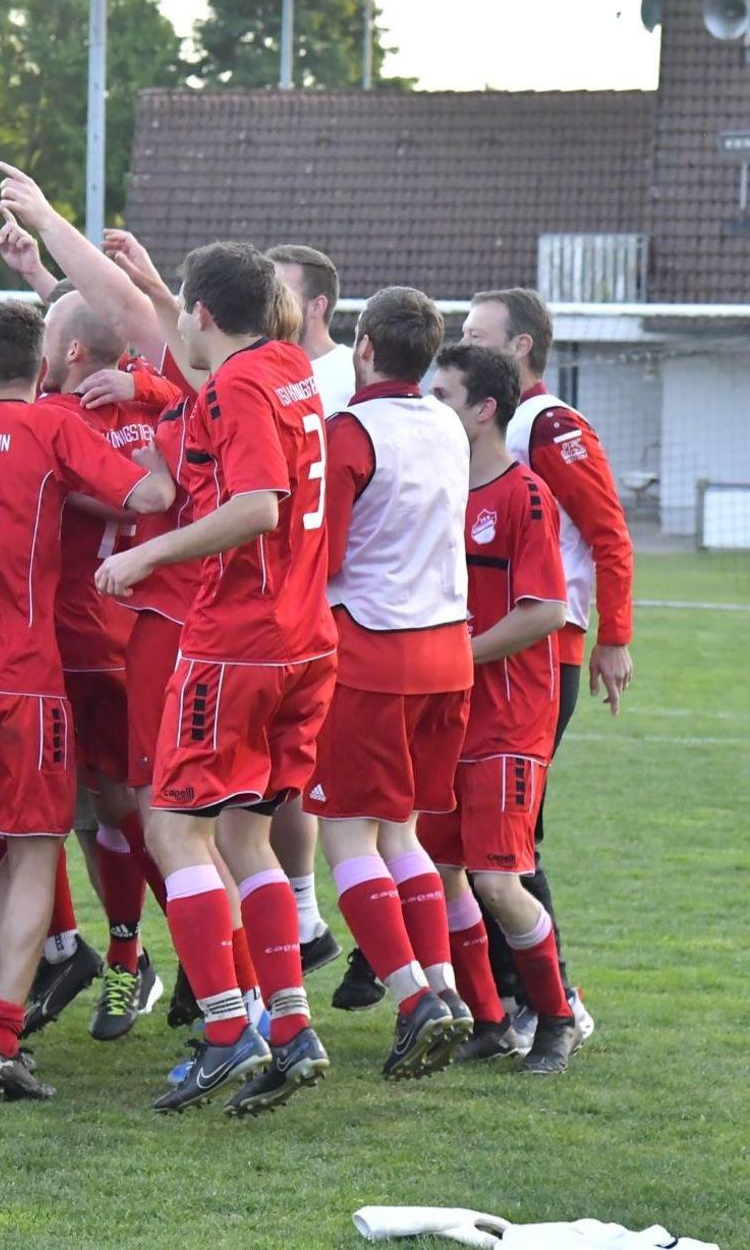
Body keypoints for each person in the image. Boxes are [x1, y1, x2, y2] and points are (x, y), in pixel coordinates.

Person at [2, 150, 336, 1117]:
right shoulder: (289, 372)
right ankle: (290, 1021)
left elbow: (259, 506)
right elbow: (132, 307)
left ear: (199, 312)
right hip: (305, 638)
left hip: (237, 638)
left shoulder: (232, 388)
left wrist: (147, 557)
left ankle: (228, 1026)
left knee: (171, 824)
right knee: (243, 832)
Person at [0, 297, 173, 1101]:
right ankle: (1, 1034)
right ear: (43, 366)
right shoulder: (51, 424)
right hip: (27, 667)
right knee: (41, 843)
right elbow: (152, 496)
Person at [307, 287, 474, 1080]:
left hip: (374, 651)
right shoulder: (447, 420)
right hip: (448, 650)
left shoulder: (350, 432)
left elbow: (327, 557)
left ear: (364, 345)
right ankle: (442, 984)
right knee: (400, 830)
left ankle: (412, 999)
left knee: (346, 832)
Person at [460, 287, 631, 1043]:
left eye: (476, 332)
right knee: (482, 838)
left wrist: (612, 636)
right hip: (491, 648)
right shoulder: (488, 427)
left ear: (520, 347)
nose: (460, 343)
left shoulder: (547, 423)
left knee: (510, 840)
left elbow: (608, 532)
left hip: (537, 649)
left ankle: (554, 998)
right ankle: (507, 996)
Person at [422, 343, 578, 1074]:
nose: (430, 406)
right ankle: (489, 1018)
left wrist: (461, 654)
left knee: (495, 879)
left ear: (484, 410)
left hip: (510, 718)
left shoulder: (525, 495)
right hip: (443, 712)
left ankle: (556, 1016)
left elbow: (547, 609)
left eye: (443, 395)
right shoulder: (438, 488)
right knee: (440, 866)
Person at [37, 288, 168, 1041]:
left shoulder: (57, 420)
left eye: (52, 328)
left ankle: (146, 958)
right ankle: (137, 958)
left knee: (124, 810)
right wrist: (147, 385)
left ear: (75, 352)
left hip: (89, 642)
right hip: (120, 638)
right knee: (100, 815)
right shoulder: (158, 411)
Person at [266, 246, 353, 414]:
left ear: (317, 306)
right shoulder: (252, 372)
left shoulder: (354, 375)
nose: (268, 304)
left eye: (280, 294)